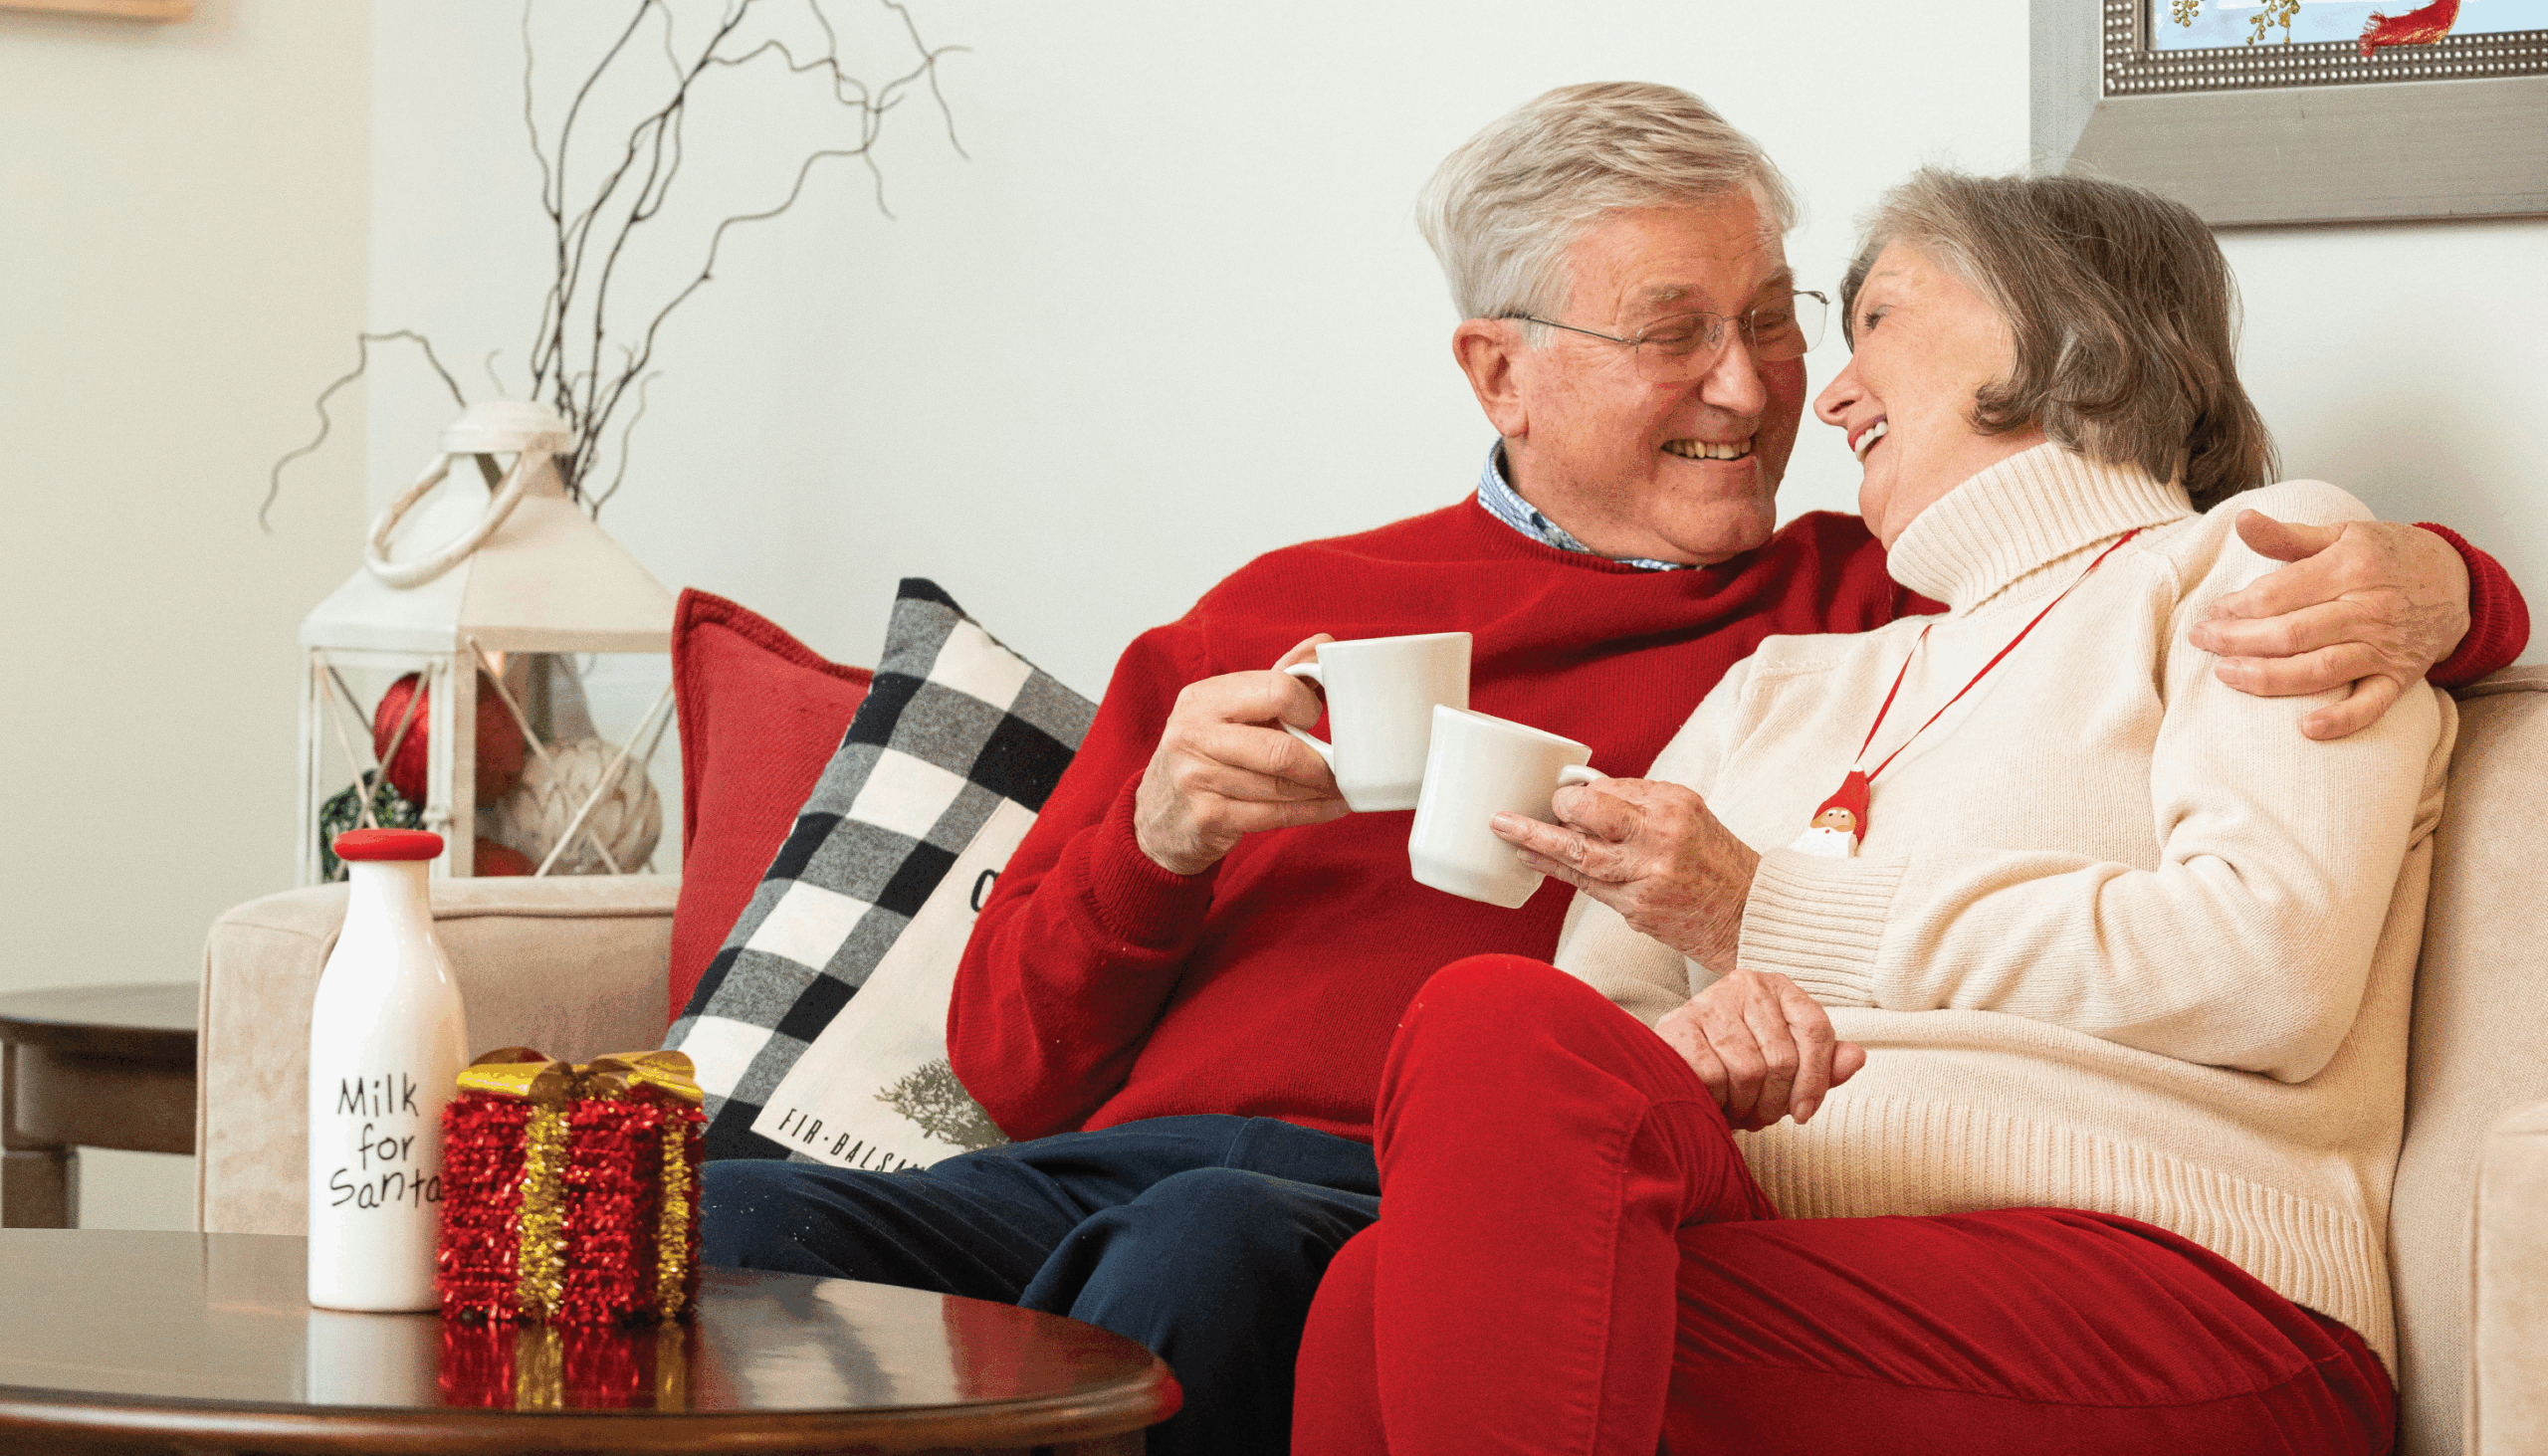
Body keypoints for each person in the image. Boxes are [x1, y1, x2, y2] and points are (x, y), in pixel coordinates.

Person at [703, 86, 2527, 1456]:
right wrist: (1159, 840)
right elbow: (1013, 1068)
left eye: (1794, 316)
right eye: (1675, 333)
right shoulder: (1303, 618)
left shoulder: (1860, 591)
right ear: (1498, 370)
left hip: (1409, 1179)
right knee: (728, 1218)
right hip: (1163, 1153)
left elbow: (2204, 581)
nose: (1766, 388)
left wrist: (2445, 582)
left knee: (1258, 1237)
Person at [1291, 166, 2451, 1455]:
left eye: (1879, 322)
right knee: (1454, 1092)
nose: (1831, 397)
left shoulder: (2268, 562)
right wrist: (1707, 1037)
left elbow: (2269, 963)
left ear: (2055, 320)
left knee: (1391, 1320)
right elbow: (1605, 1028)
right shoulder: (1782, 684)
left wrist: (1775, 913)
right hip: (1810, 1248)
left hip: (2167, 1282)